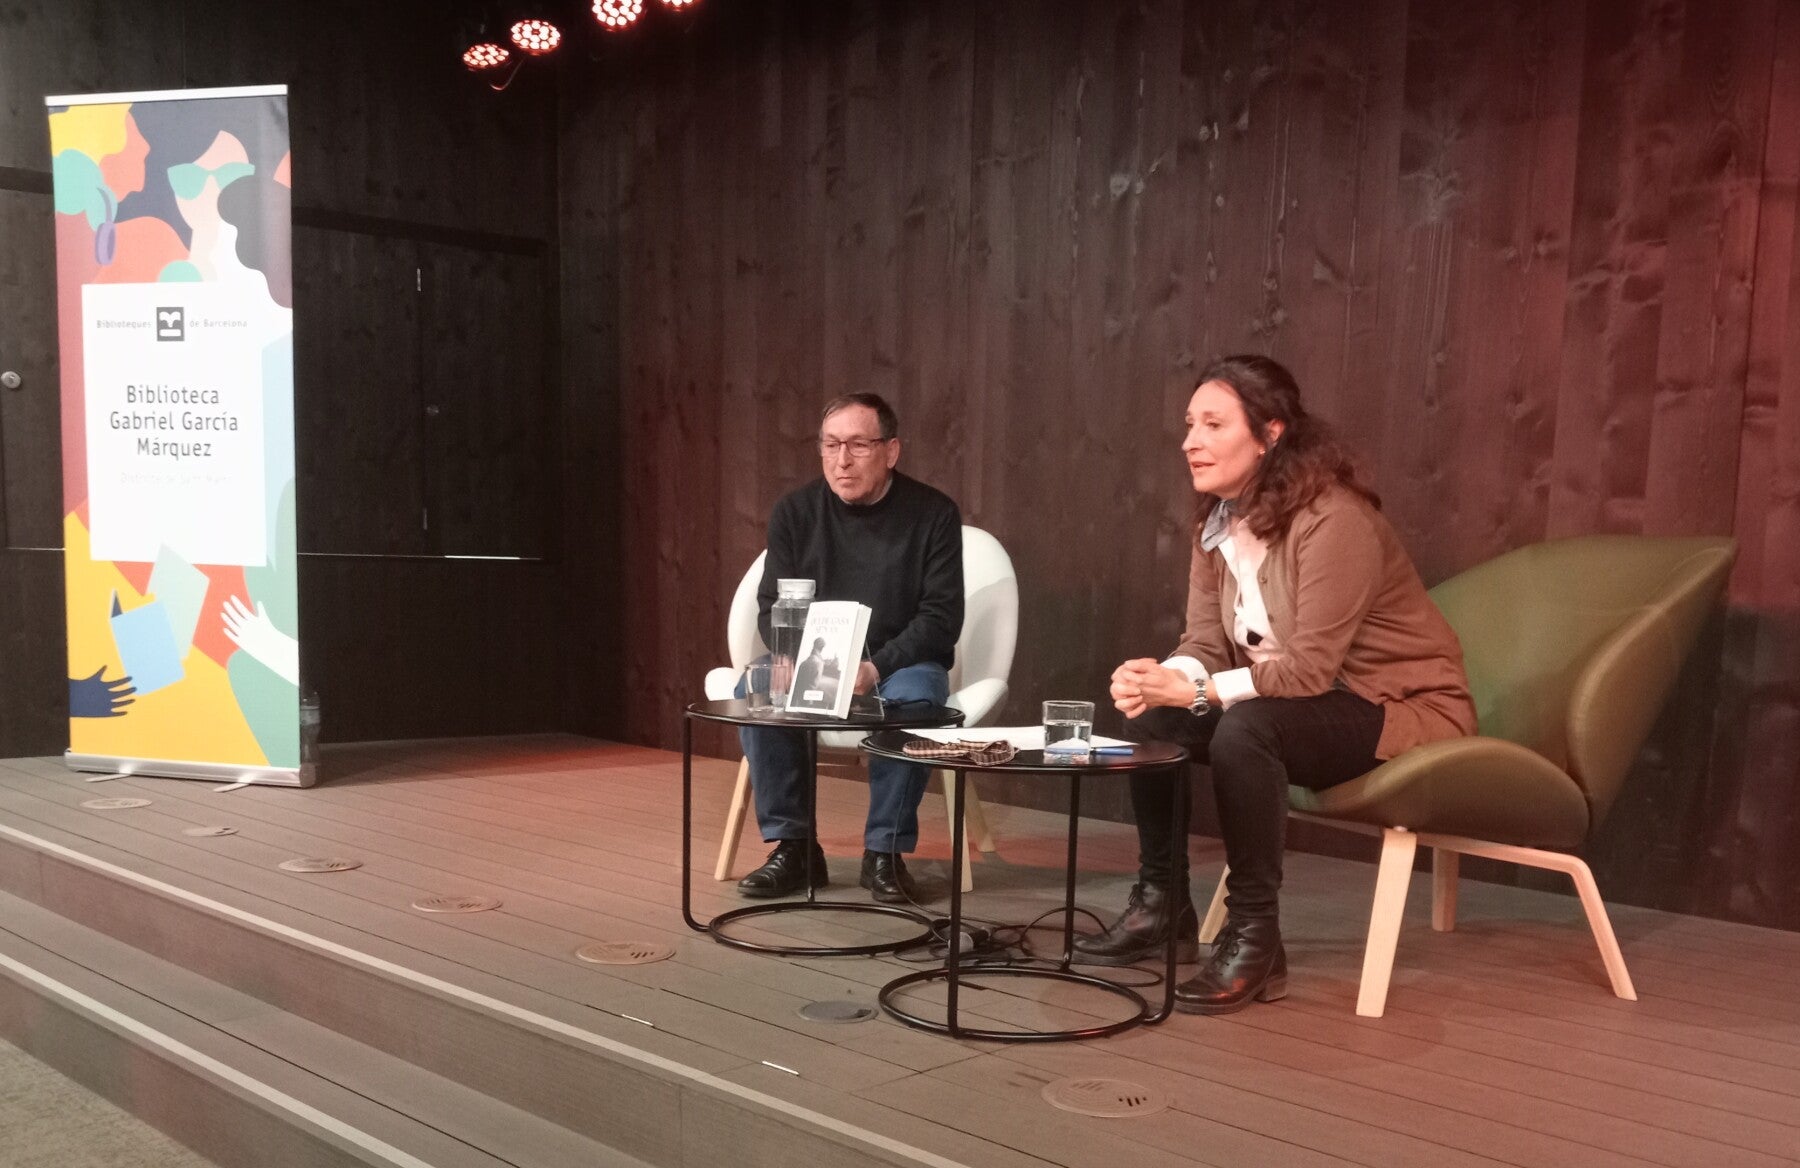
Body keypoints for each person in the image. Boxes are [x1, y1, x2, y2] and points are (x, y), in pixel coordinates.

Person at [1074, 355, 1476, 1014]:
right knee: (1151, 717)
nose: (1191, 441)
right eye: (1189, 425)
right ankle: (1161, 905)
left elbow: (1311, 669)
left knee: (1246, 729)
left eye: (1213, 425)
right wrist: (1166, 679)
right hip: (1305, 705)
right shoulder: (1216, 524)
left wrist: (1197, 692)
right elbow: (1205, 643)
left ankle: (1256, 936)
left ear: (1270, 434)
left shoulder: (1334, 520)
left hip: (1397, 707)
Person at [735, 393, 964, 904]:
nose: (842, 460)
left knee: (917, 697)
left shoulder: (933, 514)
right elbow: (772, 606)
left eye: (859, 445)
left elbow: (941, 618)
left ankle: (884, 852)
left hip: (897, 662)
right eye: (831, 445)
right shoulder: (795, 512)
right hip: (817, 658)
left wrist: (875, 667)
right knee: (758, 685)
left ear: (891, 451)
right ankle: (794, 848)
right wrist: (801, 657)